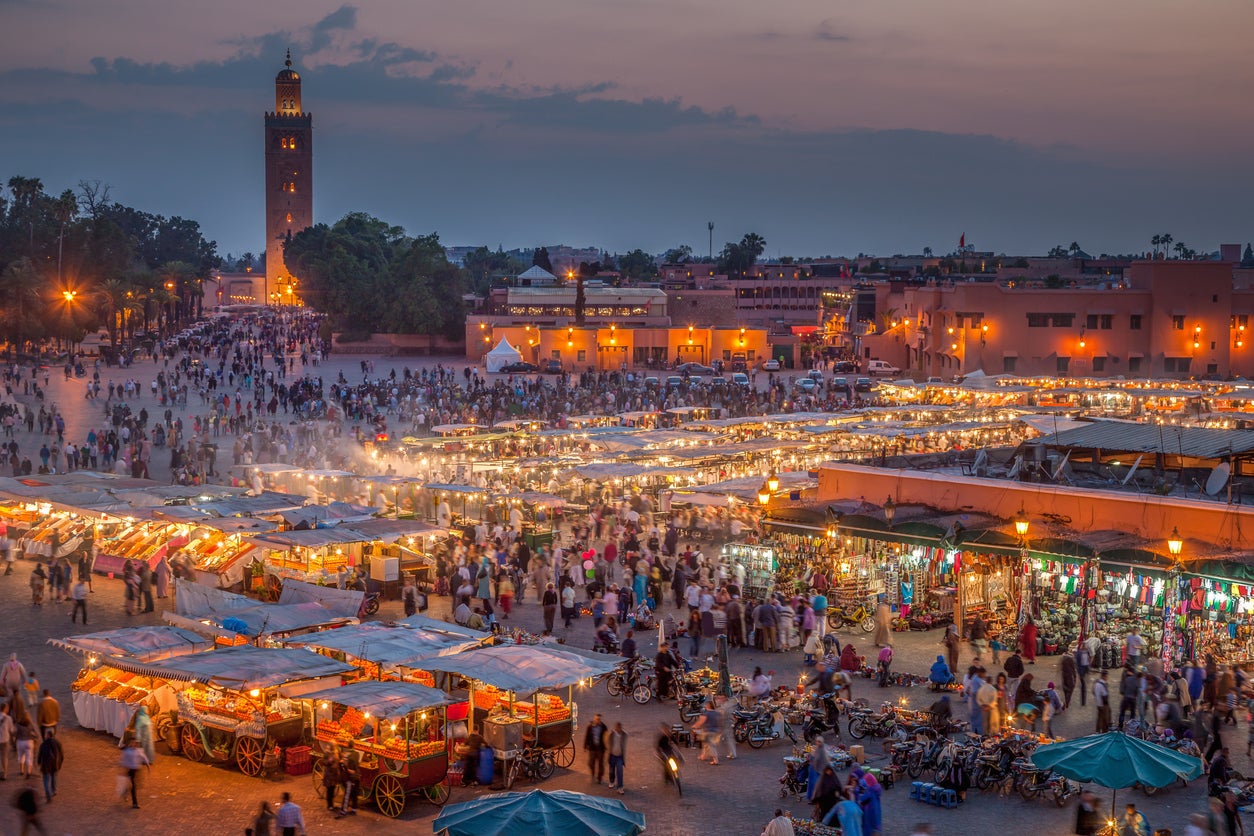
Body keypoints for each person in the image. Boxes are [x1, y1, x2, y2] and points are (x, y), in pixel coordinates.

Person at [118, 738, 150, 809]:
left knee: (137, 785)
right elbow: (122, 759)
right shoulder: (127, 751)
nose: (134, 744)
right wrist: (121, 766)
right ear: (130, 744)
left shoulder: (139, 751)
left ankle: (125, 791)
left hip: (137, 770)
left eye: (135, 743)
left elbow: (144, 758)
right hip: (130, 770)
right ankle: (135, 803)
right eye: (132, 743)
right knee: (133, 786)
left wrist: (148, 766)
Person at [692, 699, 722, 766]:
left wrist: (694, 726)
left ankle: (715, 760)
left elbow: (700, 722)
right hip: (716, 731)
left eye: (706, 705)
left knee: (711, 746)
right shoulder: (717, 713)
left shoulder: (706, 714)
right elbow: (720, 722)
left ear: (708, 706)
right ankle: (703, 756)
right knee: (705, 744)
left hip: (708, 732)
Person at [36, 729, 62, 804]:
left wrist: (39, 762)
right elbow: (61, 754)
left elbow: (40, 755)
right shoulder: (57, 743)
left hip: (46, 765)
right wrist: (59, 763)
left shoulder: (44, 744)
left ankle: (48, 794)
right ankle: (53, 790)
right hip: (55, 764)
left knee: (46, 780)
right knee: (54, 777)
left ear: (47, 735)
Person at [584, 712, 608, 783]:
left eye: (599, 719)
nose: (597, 720)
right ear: (594, 719)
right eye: (596, 719)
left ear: (600, 720)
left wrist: (606, 747)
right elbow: (587, 736)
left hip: (600, 749)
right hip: (592, 748)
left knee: (600, 764)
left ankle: (599, 777)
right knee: (591, 763)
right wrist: (585, 746)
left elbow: (606, 738)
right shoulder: (590, 727)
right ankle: (593, 773)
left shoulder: (604, 727)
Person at [339, 740, 360, 815]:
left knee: (348, 793)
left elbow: (342, 764)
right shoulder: (356, 754)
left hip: (349, 777)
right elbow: (356, 764)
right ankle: (354, 809)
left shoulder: (345, 754)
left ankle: (343, 810)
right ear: (354, 745)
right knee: (354, 793)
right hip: (355, 776)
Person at [607, 721, 627, 794]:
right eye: (618, 727)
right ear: (615, 728)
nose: (619, 729)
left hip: (619, 756)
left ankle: (620, 787)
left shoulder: (624, 734)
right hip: (612, 755)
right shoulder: (612, 734)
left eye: (620, 728)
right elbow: (607, 741)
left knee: (620, 772)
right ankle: (611, 781)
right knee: (611, 770)